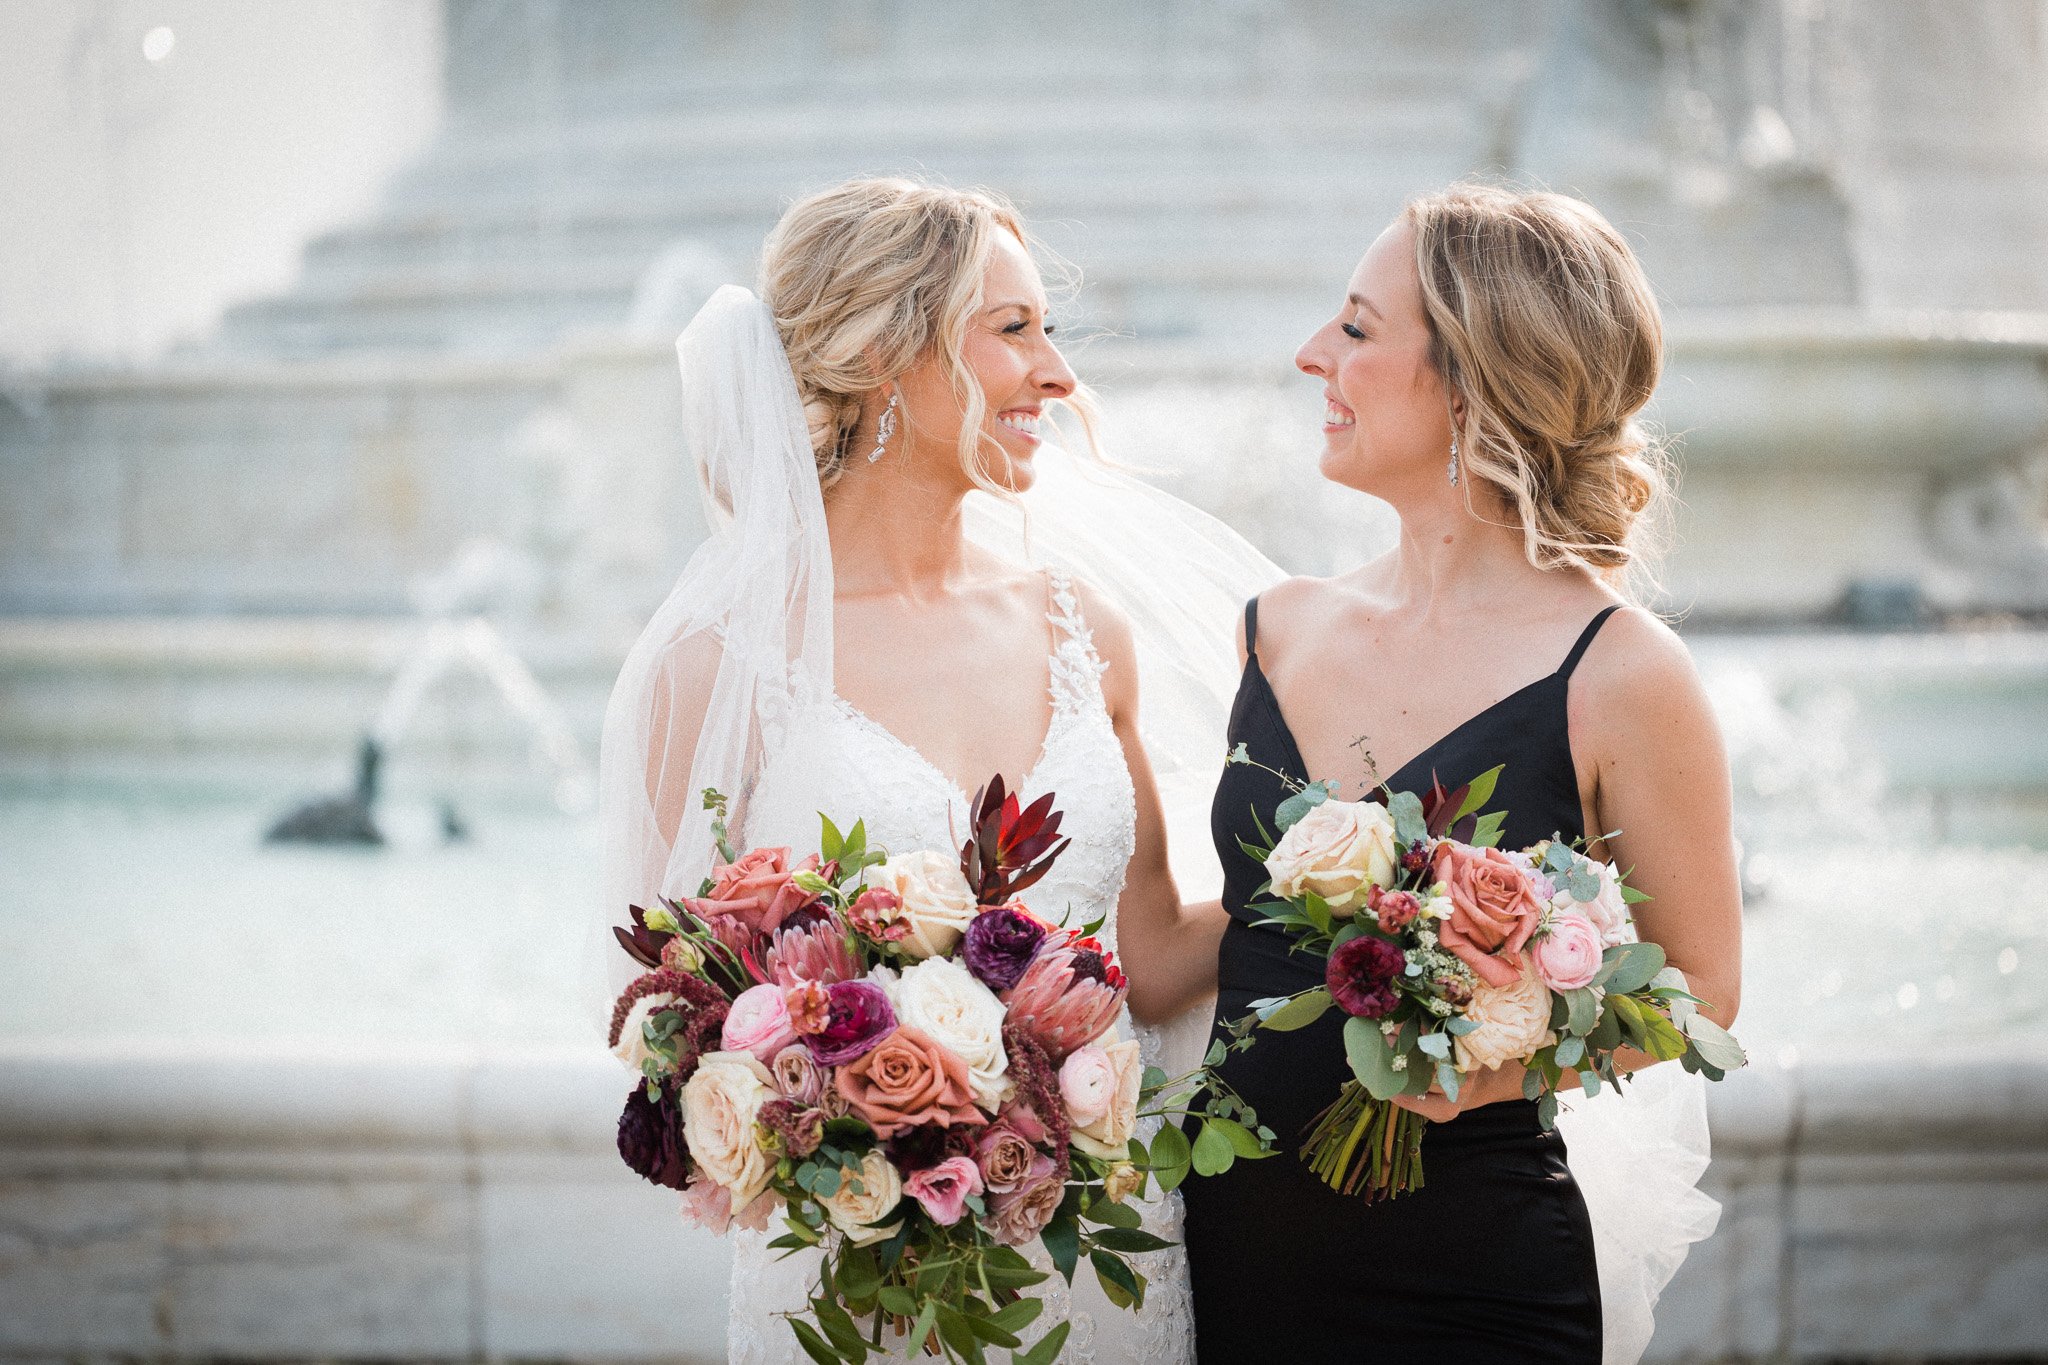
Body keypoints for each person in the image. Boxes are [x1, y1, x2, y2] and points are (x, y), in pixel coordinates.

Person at [597, 176, 1266, 1365]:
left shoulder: (1081, 629)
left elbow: (1152, 953)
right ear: (880, 356)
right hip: (860, 1294)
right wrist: (862, 1112)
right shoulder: (718, 666)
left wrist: (1355, 902)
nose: (1059, 374)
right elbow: (680, 1027)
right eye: (1013, 331)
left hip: (1104, 1268)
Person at [1180, 183, 1743, 1363]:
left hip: (1470, 1282)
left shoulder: (1622, 671)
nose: (1307, 355)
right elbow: (1229, 927)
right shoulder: (1272, 627)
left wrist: (1490, 1069)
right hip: (1237, 1259)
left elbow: (1697, 992)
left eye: (1354, 328)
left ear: (1473, 379)